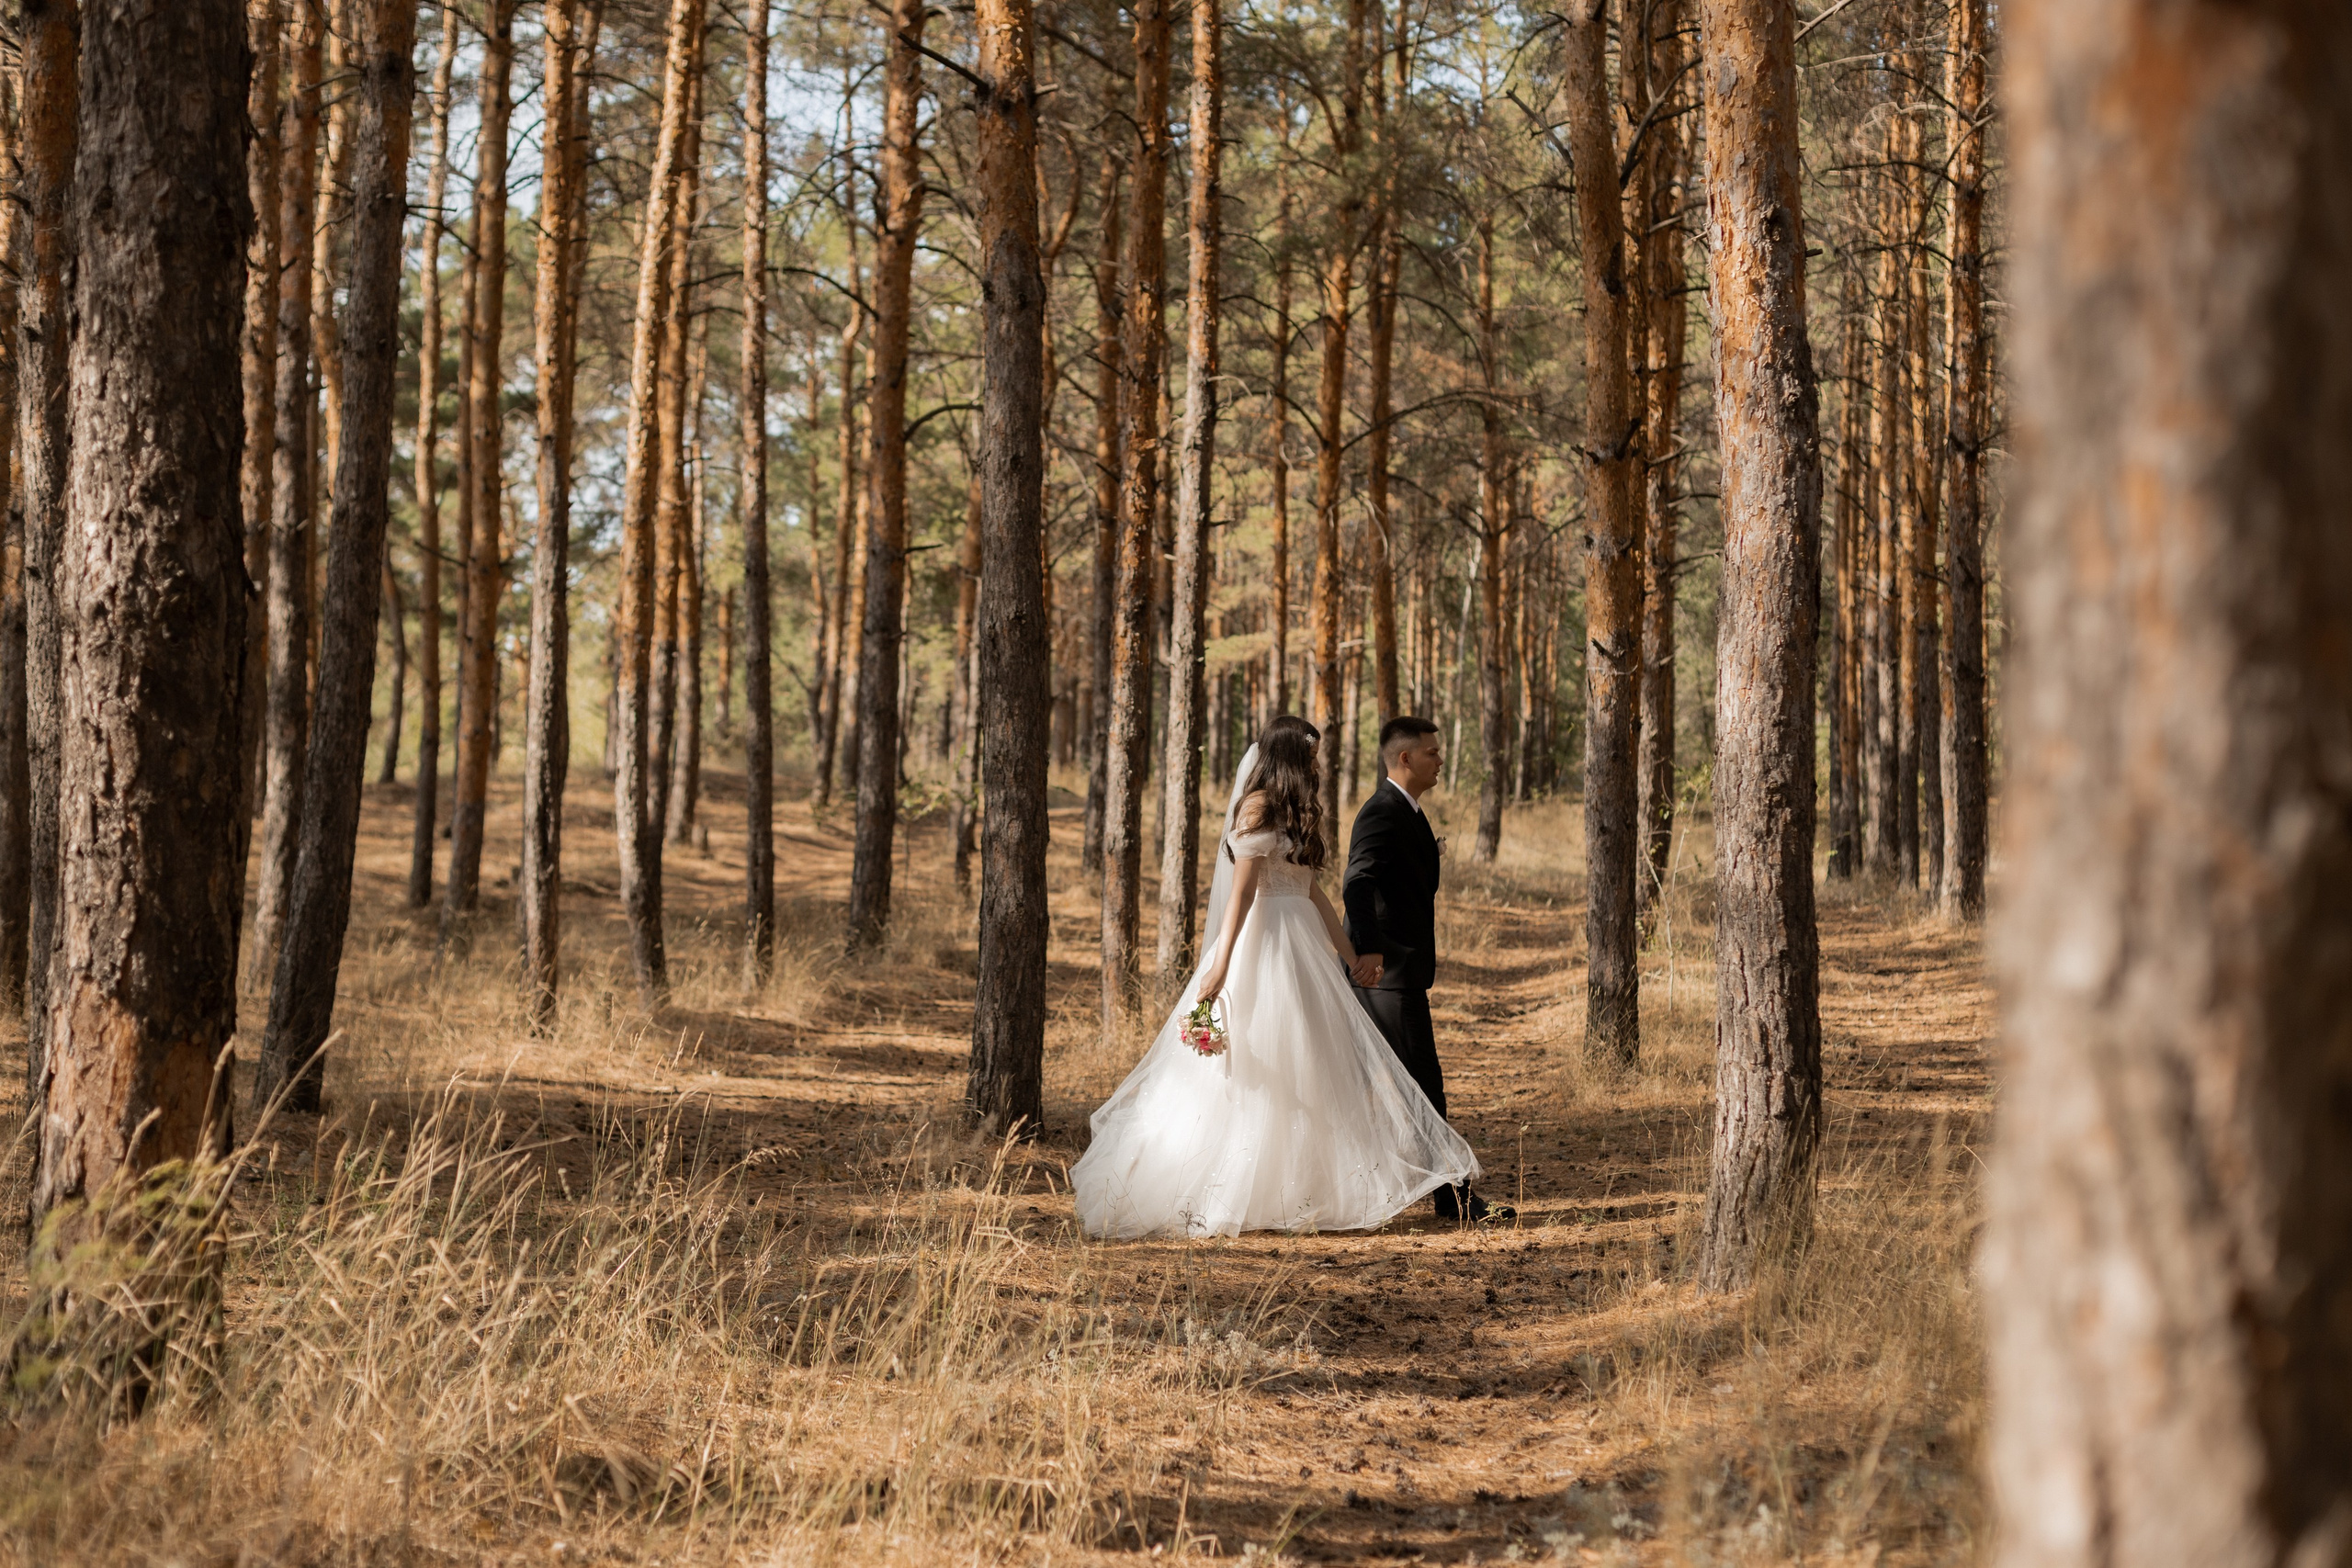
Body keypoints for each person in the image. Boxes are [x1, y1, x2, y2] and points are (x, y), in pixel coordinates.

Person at [1072, 717, 1479, 1238]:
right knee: (1255, 1058)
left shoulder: (1298, 811)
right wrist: (1221, 961)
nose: (1317, 765)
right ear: (1290, 756)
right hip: (1262, 940)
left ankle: (1299, 1184)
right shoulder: (1258, 806)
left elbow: (1312, 892)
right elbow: (1241, 893)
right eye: (1311, 756)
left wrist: (1352, 952)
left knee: (1310, 1058)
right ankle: (1231, 1183)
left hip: (1303, 939)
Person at [1343, 715, 1512, 1223]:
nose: (1440, 760)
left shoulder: (1409, 811)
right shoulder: (1382, 812)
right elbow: (1357, 881)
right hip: (1386, 975)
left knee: (1401, 1084)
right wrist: (1369, 951)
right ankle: (1454, 1199)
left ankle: (1439, 1194)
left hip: (1399, 972)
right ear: (1405, 758)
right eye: (1432, 753)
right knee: (1423, 1083)